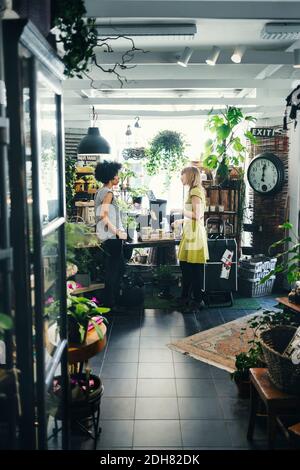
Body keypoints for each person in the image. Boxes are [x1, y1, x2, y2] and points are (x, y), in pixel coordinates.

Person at [172, 166, 209, 310]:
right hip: (191, 231)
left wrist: (180, 211)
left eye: (182, 175)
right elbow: (194, 216)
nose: (181, 177)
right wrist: (180, 221)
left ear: (189, 176)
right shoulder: (195, 190)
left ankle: (196, 300)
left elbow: (198, 215)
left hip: (194, 234)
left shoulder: (195, 191)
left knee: (193, 269)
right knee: (187, 267)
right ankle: (186, 298)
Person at [94, 160, 127, 310]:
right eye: (117, 176)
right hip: (112, 237)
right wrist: (118, 232)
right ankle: (111, 303)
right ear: (110, 177)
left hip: (107, 236)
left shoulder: (99, 192)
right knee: (114, 270)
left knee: (117, 268)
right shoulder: (108, 193)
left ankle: (113, 300)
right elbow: (103, 216)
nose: (118, 178)